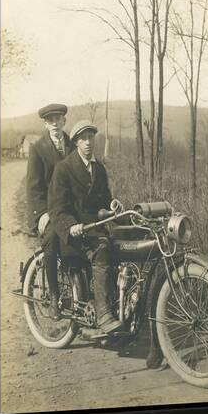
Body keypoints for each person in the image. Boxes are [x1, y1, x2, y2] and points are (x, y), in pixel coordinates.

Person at [48, 120, 122, 334]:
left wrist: (111, 205)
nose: (88, 142)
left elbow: (104, 199)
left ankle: (118, 307)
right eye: (83, 139)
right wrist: (71, 226)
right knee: (101, 251)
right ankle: (103, 314)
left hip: (95, 227)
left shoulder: (99, 168)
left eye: (91, 137)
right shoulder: (63, 169)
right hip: (74, 233)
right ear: (76, 142)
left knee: (120, 248)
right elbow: (57, 208)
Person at [26, 103, 74, 319]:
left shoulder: (74, 145)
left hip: (69, 210)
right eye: (50, 120)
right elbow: (34, 187)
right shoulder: (38, 149)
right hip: (46, 212)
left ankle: (83, 294)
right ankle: (54, 297)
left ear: (64, 121)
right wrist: (43, 213)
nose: (55, 124)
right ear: (45, 123)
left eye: (58, 119)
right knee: (53, 240)